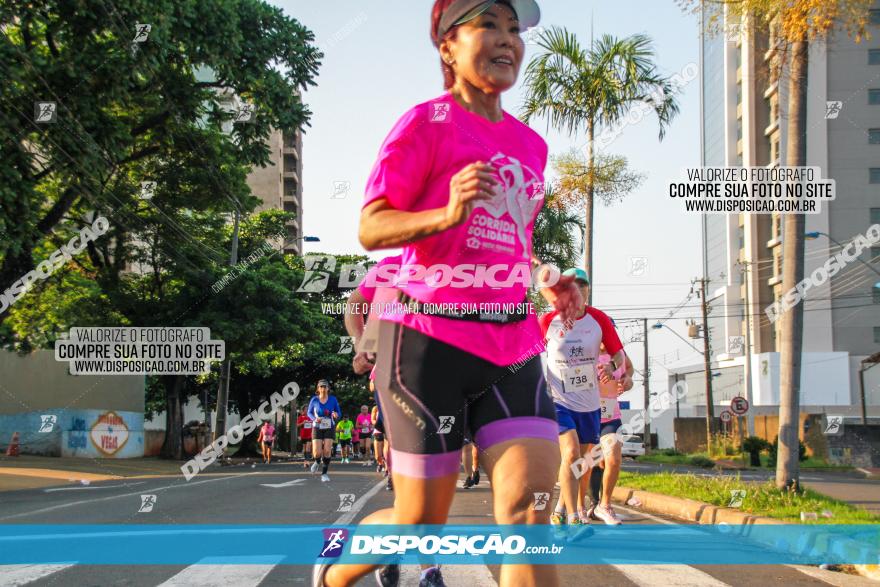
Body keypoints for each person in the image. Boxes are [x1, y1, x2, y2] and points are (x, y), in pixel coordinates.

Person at [313, 3, 583, 587]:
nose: (508, 40)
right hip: (427, 343)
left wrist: (543, 279)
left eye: (515, 29)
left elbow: (510, 238)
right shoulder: (424, 123)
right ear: (447, 45)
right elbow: (372, 227)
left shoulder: (530, 145)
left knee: (532, 513)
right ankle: (335, 573)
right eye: (490, 25)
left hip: (511, 341)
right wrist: (446, 212)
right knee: (419, 522)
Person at [539, 268, 627, 530]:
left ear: (588, 290)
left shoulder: (599, 320)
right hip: (558, 401)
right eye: (573, 284)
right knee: (571, 452)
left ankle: (559, 508)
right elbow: (524, 353)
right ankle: (574, 517)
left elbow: (619, 356)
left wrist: (612, 367)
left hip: (589, 404)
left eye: (583, 284)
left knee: (580, 463)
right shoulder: (548, 321)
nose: (579, 288)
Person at [584, 343, 634, 525]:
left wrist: (627, 380)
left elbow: (629, 368)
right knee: (589, 463)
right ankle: (585, 506)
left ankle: (604, 505)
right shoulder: (585, 351)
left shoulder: (619, 354)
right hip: (587, 415)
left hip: (611, 416)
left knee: (613, 459)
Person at [308, 380, 341, 482]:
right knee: (316, 453)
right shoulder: (314, 400)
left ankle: (324, 473)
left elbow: (338, 412)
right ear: (318, 389)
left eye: (325, 387)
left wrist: (336, 415)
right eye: (321, 387)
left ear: (328, 388)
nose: (323, 388)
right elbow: (309, 413)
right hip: (317, 426)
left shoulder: (333, 399)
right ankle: (317, 462)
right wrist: (314, 419)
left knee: (327, 450)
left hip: (329, 426)